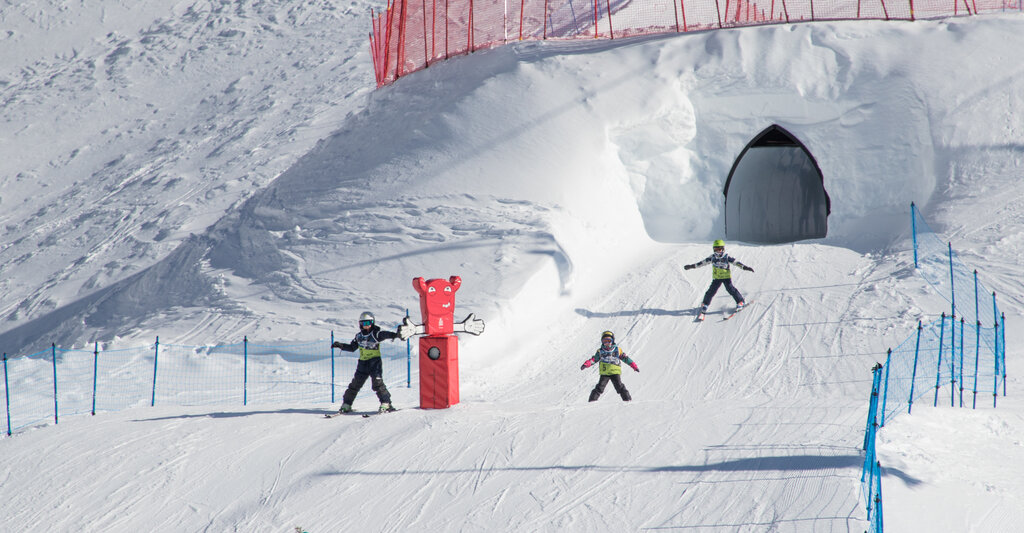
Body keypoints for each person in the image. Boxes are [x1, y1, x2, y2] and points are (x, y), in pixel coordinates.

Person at [331, 311, 401, 413]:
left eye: (369, 323)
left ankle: (386, 403)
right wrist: (341, 345)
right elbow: (352, 347)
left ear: (373, 323)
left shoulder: (375, 334)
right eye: (364, 323)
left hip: (375, 363)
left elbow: (385, 334)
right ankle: (346, 404)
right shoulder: (358, 336)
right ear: (360, 324)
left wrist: (395, 335)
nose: (366, 326)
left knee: (377, 383)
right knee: (355, 384)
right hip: (363, 363)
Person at [684, 239, 753, 318]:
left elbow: (736, 262)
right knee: (711, 291)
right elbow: (701, 263)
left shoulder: (726, 257)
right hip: (717, 278)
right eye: (716, 249)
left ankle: (740, 302)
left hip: (726, 277)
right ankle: (705, 304)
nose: (718, 251)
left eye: (719, 249)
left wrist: (745, 267)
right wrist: (691, 266)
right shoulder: (712, 257)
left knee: (730, 289)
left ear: (723, 249)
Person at [580, 330, 638, 402]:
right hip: (605, 373)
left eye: (608, 340)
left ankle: (627, 399)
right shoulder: (600, 351)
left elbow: (625, 359)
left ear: (612, 341)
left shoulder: (617, 350)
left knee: (619, 386)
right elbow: (594, 359)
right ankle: (592, 401)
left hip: (615, 372)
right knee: (600, 387)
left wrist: (633, 366)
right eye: (604, 341)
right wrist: (586, 364)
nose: (607, 343)